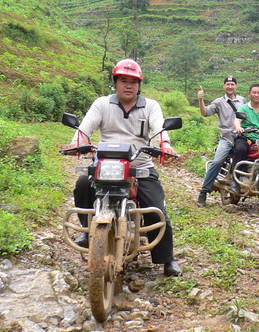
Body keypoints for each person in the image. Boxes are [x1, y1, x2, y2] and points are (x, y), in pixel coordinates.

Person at [70, 59, 182, 277]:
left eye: (133, 82)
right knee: (83, 184)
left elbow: (160, 129)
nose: (128, 85)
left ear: (139, 85)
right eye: (123, 80)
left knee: (156, 207)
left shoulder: (151, 106)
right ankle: (86, 229)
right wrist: (77, 141)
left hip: (140, 165)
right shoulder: (102, 104)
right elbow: (85, 128)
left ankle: (166, 259)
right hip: (105, 164)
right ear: (115, 82)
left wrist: (165, 143)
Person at [196, 76, 246, 207]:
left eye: (232, 84)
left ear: (236, 86)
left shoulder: (242, 100)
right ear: (224, 86)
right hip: (227, 138)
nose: (230, 87)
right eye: (227, 84)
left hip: (242, 136)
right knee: (217, 161)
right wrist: (200, 100)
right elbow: (205, 112)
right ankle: (204, 192)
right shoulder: (219, 102)